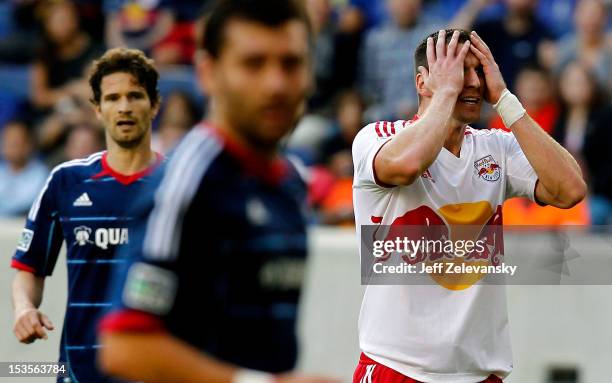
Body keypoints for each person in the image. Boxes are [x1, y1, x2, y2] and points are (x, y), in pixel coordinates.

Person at [97, 1, 336, 383]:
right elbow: (125, 346)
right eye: (253, 64)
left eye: (291, 63)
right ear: (208, 73)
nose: (275, 84)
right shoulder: (190, 180)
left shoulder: (289, 182)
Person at [351, 29, 585, 382]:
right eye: (460, 71)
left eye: (478, 71)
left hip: (479, 373)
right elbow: (407, 165)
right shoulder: (378, 137)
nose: (474, 83)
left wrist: (505, 99)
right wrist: (446, 92)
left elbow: (569, 189)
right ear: (422, 82)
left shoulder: (495, 149)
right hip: (397, 367)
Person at [11, 47, 164, 383]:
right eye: (112, 98)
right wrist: (24, 307)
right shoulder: (66, 181)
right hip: (80, 369)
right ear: (97, 109)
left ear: (154, 105)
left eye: (135, 95)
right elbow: (29, 267)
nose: (124, 107)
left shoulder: (180, 183)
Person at [0, 121, 48, 217]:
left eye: (15, 142)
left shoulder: (42, 176)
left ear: (29, 145)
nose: (9, 146)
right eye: (6, 141)